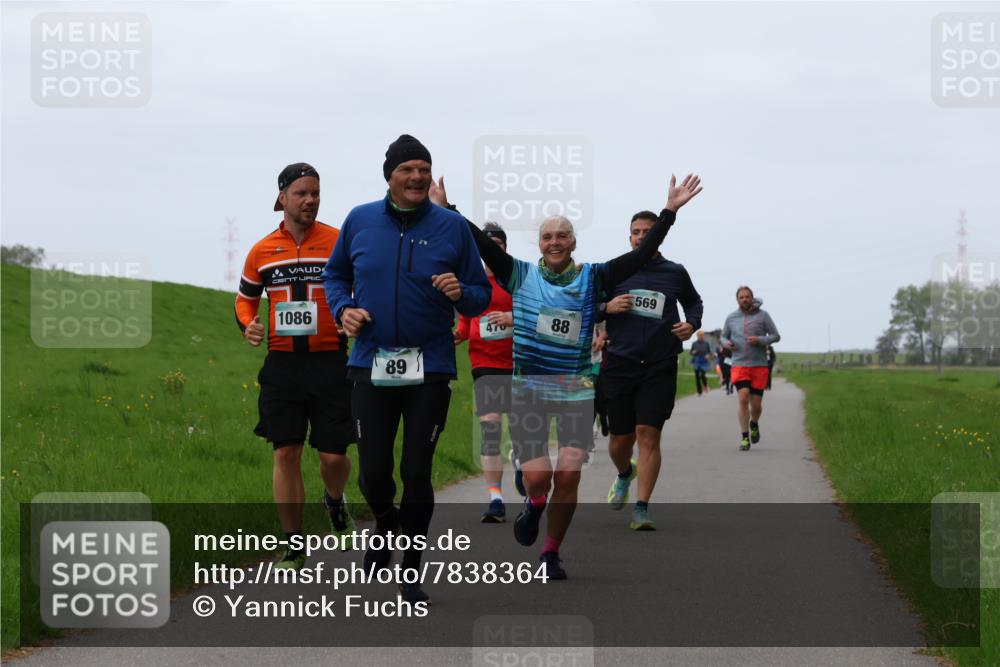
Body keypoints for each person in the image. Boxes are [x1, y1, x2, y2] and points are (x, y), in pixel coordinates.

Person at [434, 173, 703, 578]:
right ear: (539, 244)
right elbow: (482, 244)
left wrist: (669, 211)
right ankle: (534, 503)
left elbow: (641, 253)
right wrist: (449, 209)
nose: (555, 242)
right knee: (538, 477)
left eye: (562, 236)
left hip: (576, 389)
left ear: (573, 242)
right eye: (547, 237)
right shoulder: (519, 274)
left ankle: (550, 552)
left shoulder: (594, 277)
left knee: (569, 474)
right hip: (530, 388)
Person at [322, 135, 491, 604]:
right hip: (370, 362)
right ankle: (385, 522)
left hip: (429, 367)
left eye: (424, 169)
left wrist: (461, 293)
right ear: (389, 176)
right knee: (372, 474)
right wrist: (343, 310)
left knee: (416, 471)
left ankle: (411, 570)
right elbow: (335, 275)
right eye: (407, 169)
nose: (417, 177)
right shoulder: (359, 220)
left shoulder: (451, 227)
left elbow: (480, 294)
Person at [236, 163, 355, 571]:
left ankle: (334, 502)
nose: (310, 200)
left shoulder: (338, 242)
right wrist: (248, 325)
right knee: (285, 452)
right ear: (282, 197)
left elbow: (361, 288)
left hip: (331, 363)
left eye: (315, 193)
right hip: (283, 366)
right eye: (302, 193)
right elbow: (245, 300)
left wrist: (352, 313)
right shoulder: (261, 250)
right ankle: (292, 542)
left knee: (333, 458)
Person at [601, 210, 703, 530]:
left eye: (648, 231)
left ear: (658, 235)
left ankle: (642, 509)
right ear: (629, 237)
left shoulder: (675, 272)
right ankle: (624, 473)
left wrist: (691, 324)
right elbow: (585, 308)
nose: (642, 236)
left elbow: (694, 302)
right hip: (619, 363)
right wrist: (607, 307)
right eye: (636, 232)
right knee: (620, 440)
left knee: (648, 433)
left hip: (659, 363)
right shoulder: (613, 271)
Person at [453, 222, 516, 523]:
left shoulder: (516, 281)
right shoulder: (473, 282)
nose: (491, 252)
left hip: (518, 365)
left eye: (497, 246)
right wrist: (457, 334)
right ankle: (495, 499)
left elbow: (536, 314)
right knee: (490, 431)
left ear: (504, 249)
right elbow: (466, 322)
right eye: (486, 247)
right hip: (485, 364)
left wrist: (513, 317)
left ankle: (522, 465)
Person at [721, 287, 781, 451]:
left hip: (759, 365)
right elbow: (723, 337)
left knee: (756, 406)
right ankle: (745, 437)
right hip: (739, 364)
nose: (744, 299)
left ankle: (754, 423)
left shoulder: (763, 316)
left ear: (752, 298)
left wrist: (760, 340)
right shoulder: (731, 317)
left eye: (747, 296)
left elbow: (776, 336)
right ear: (737, 300)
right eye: (741, 297)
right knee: (743, 398)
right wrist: (727, 344)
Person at [689, 330, 713, 396]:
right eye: (700, 336)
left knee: (702, 374)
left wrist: (708, 355)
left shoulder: (706, 343)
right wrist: (693, 352)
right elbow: (690, 352)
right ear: (697, 336)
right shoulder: (694, 343)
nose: (701, 337)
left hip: (704, 361)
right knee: (697, 376)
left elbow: (709, 352)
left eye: (702, 335)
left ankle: (705, 385)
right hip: (697, 360)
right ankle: (699, 391)